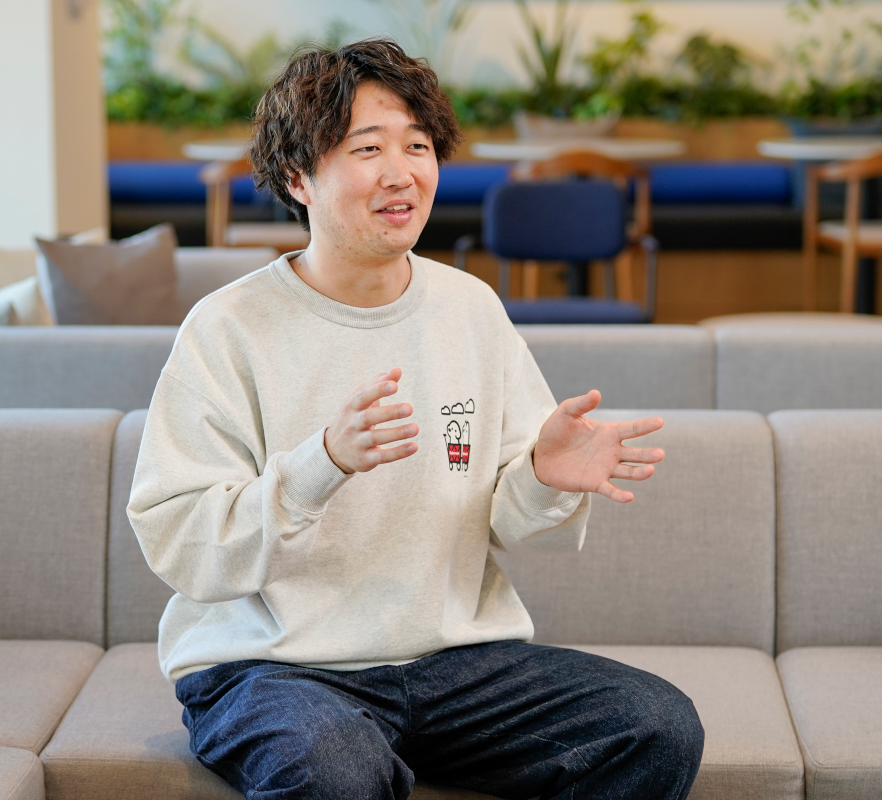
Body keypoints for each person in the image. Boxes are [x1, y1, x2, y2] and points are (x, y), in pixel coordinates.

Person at [128, 38, 704, 800]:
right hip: (274, 667)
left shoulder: (470, 308)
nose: (402, 173)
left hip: (451, 662)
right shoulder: (228, 327)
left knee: (657, 725)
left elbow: (511, 520)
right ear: (297, 177)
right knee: (333, 768)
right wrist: (321, 463)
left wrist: (541, 476)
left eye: (418, 146)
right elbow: (178, 540)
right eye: (368, 149)